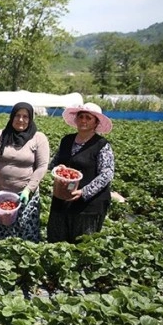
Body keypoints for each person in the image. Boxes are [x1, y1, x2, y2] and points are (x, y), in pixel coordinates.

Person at [0, 102, 49, 242]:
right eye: (17, 115)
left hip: (24, 196)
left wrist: (28, 189)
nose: (21, 120)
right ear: (12, 117)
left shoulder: (38, 138)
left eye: (25, 116)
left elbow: (42, 166)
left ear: (30, 119)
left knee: (24, 232)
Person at [47, 102, 114, 243]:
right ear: (76, 119)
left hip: (88, 205)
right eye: (81, 116)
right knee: (57, 240)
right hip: (62, 197)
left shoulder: (101, 144)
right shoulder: (67, 140)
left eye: (88, 118)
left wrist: (84, 192)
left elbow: (107, 173)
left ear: (96, 122)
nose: (83, 120)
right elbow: (54, 164)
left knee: (82, 244)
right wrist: (58, 169)